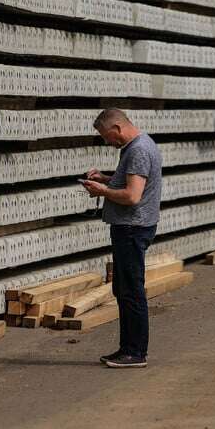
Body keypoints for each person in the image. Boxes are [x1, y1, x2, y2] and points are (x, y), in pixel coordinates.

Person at [81, 108, 162, 369]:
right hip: (133, 227)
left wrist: (103, 190)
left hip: (131, 229)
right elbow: (131, 183)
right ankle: (128, 348)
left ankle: (135, 352)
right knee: (124, 289)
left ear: (116, 128)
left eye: (107, 136)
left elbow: (132, 196)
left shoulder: (138, 150)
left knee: (131, 291)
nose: (107, 142)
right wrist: (106, 179)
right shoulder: (140, 145)